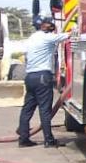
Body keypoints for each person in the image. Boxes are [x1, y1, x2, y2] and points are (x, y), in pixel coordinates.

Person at [17, 17, 70, 148]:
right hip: (42, 77)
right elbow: (67, 36)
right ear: (50, 28)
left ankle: (23, 139)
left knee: (27, 109)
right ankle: (49, 140)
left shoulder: (32, 38)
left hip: (30, 77)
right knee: (45, 110)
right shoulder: (48, 37)